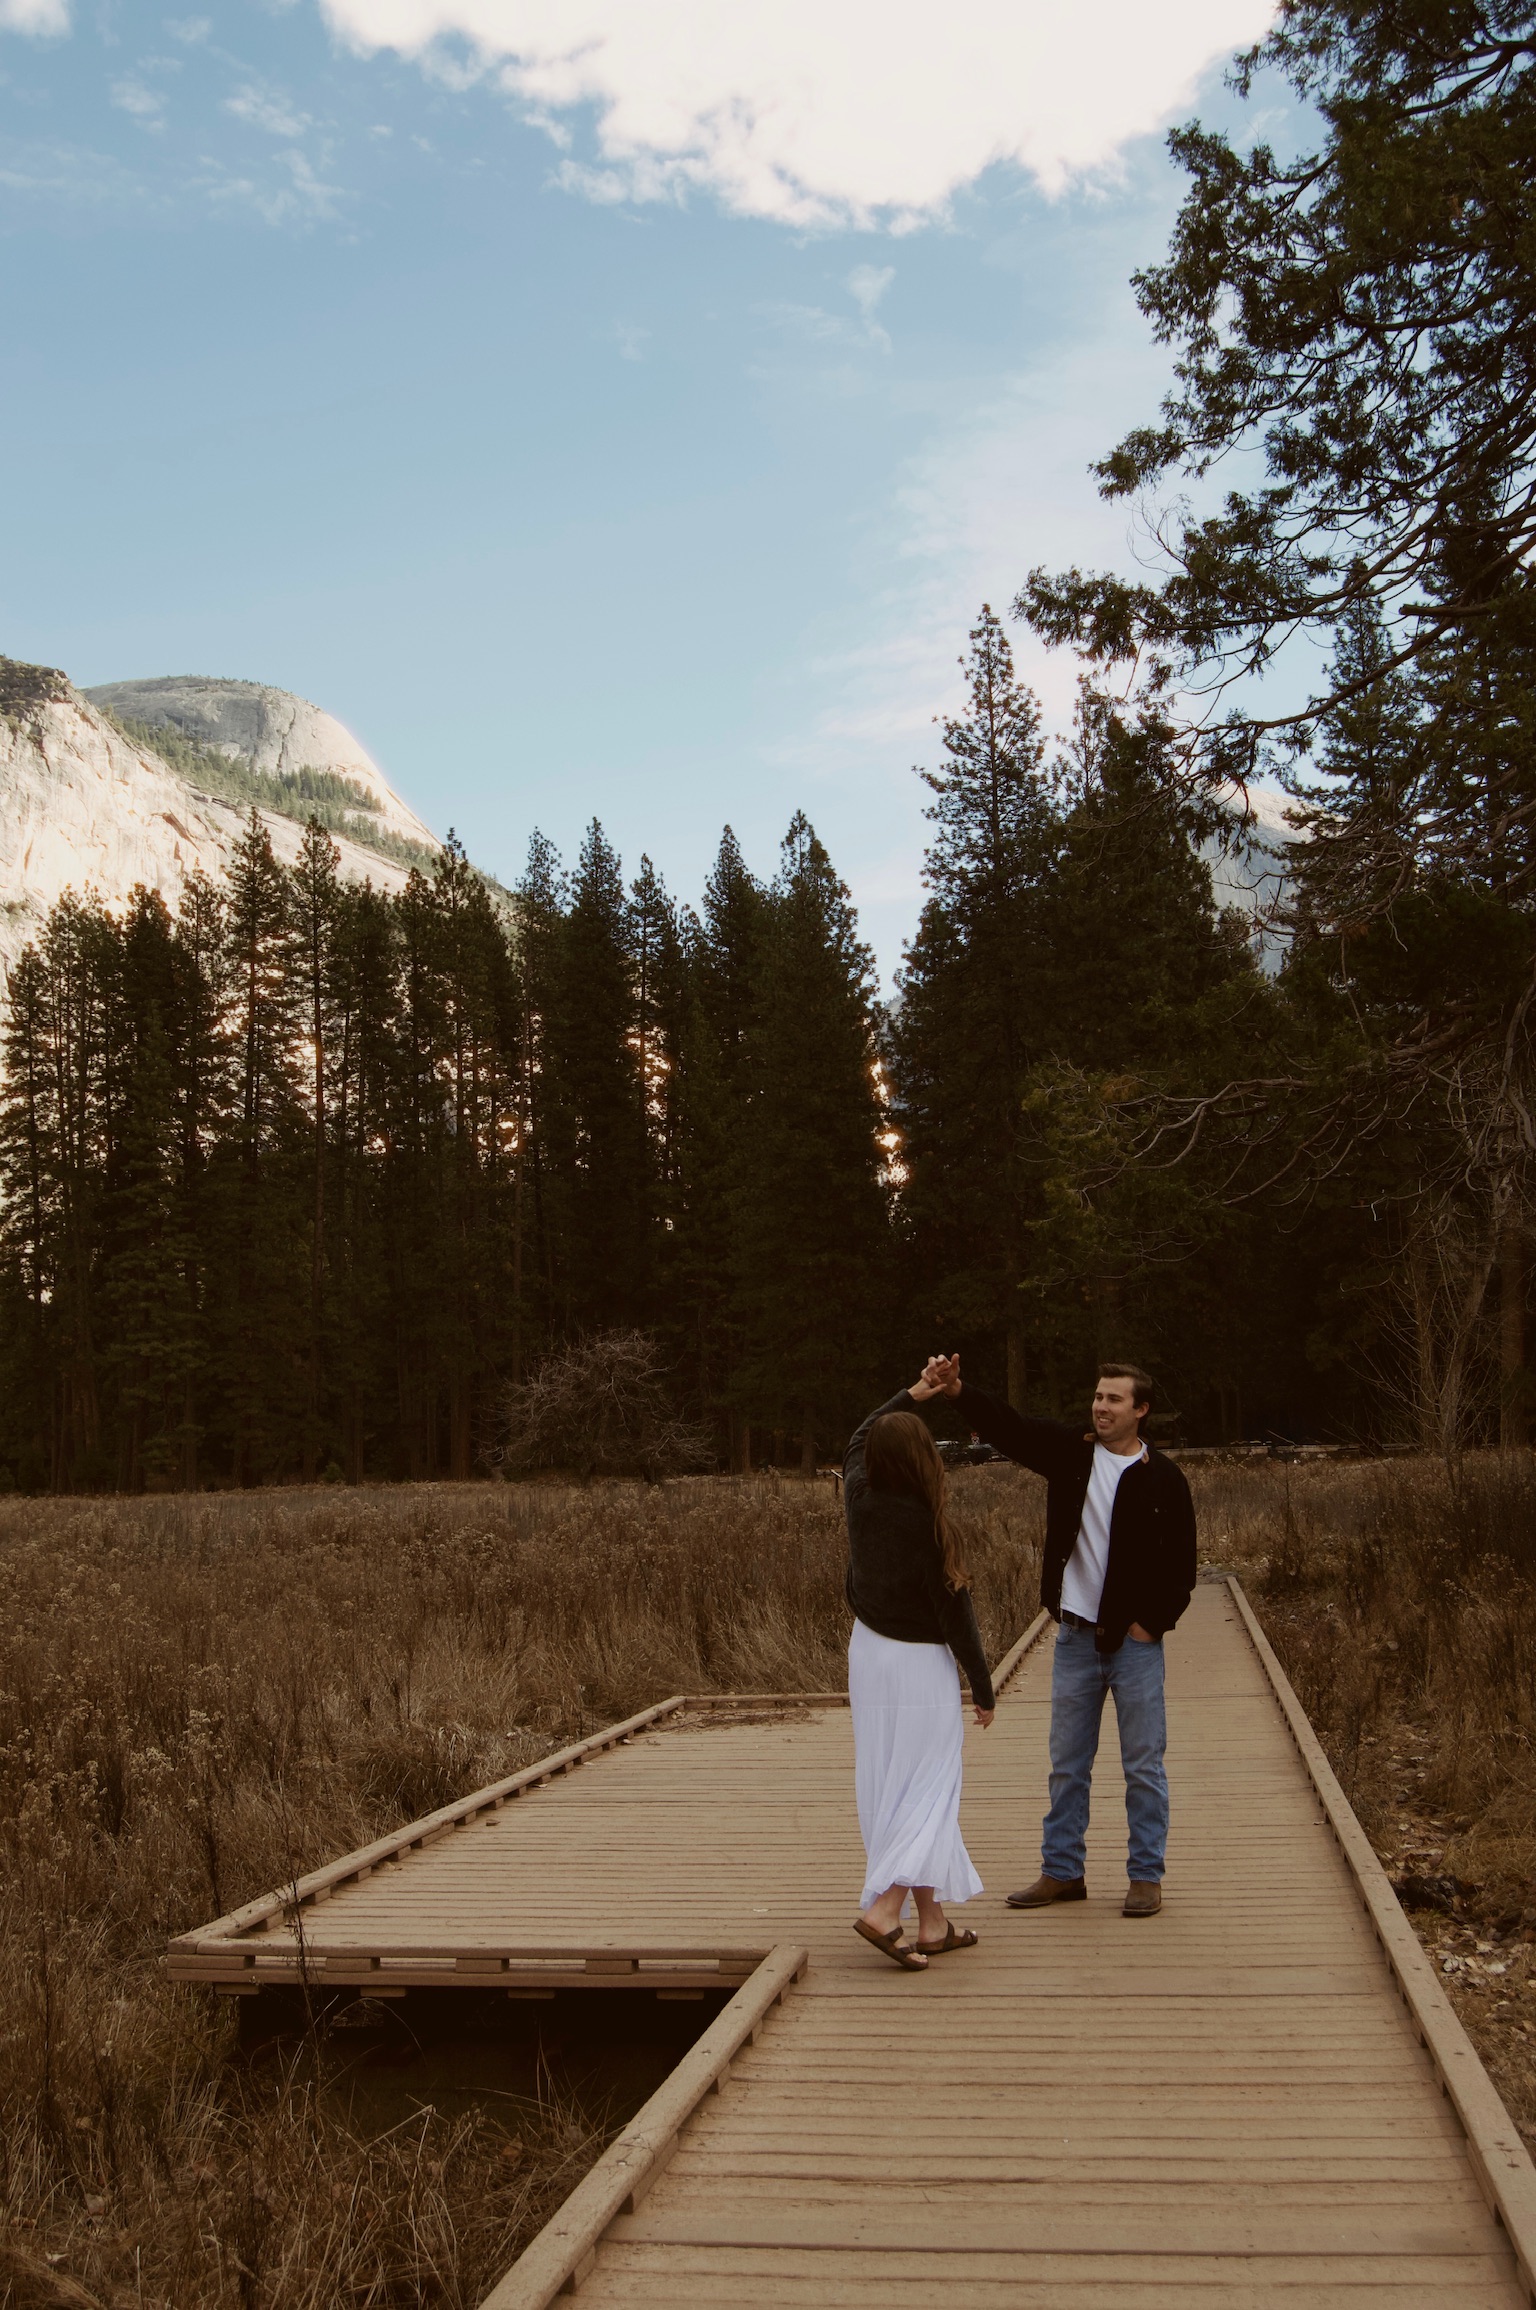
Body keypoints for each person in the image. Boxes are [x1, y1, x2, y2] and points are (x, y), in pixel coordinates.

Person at [923, 1355, 1196, 1917]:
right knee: (1068, 1764)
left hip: (1135, 1647)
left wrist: (1151, 1625)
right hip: (1073, 1637)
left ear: (1140, 1410)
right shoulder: (1071, 1455)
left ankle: (1146, 1875)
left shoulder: (1164, 1478)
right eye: (1098, 1396)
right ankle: (1062, 1871)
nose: (1101, 1406)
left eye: (1114, 1399)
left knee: (1143, 1764)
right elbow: (1011, 1426)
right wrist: (957, 1391)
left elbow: (1182, 1569)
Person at [844, 1372, 996, 1972]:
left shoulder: (859, 1498)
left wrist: (911, 1393)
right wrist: (983, 1691)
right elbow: (959, 1623)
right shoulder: (932, 1529)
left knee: (895, 1780)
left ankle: (932, 1924)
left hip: (869, 1656)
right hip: (919, 1667)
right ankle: (885, 1910)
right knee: (931, 1785)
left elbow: (857, 1436)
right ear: (924, 1460)